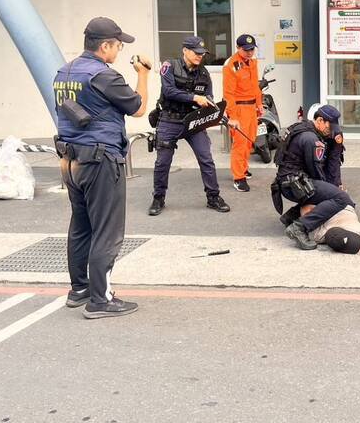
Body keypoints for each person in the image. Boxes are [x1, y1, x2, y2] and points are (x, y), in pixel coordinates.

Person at [54, 17, 149, 319]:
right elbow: (138, 107)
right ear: (105, 45)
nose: (119, 52)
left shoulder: (63, 71)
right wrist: (144, 74)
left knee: (81, 227)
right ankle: (101, 300)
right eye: (118, 46)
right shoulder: (105, 76)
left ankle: (79, 289)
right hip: (100, 161)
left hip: (70, 160)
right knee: (107, 231)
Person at [147, 36, 230, 216]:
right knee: (163, 162)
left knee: (206, 159)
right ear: (185, 50)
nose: (200, 56)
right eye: (196, 52)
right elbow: (168, 91)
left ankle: (213, 197)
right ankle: (158, 197)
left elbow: (208, 96)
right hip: (169, 120)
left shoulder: (204, 73)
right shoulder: (169, 66)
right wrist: (194, 98)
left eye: (202, 53)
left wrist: (211, 105)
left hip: (193, 121)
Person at [272, 105, 355, 250]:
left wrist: (336, 146)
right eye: (330, 127)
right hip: (294, 185)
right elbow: (317, 172)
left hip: (291, 181)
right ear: (320, 120)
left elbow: (330, 162)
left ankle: (292, 216)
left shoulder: (305, 128)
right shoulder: (311, 139)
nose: (332, 131)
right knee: (341, 199)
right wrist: (333, 192)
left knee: (334, 195)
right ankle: (299, 228)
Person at [223, 34, 263, 192]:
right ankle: (238, 177)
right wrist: (232, 116)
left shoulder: (252, 62)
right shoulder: (231, 65)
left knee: (249, 140)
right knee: (240, 144)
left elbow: (255, 85)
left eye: (252, 49)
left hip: (252, 108)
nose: (249, 52)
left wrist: (259, 104)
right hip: (238, 109)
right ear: (238, 48)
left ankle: (243, 168)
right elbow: (228, 93)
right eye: (246, 50)